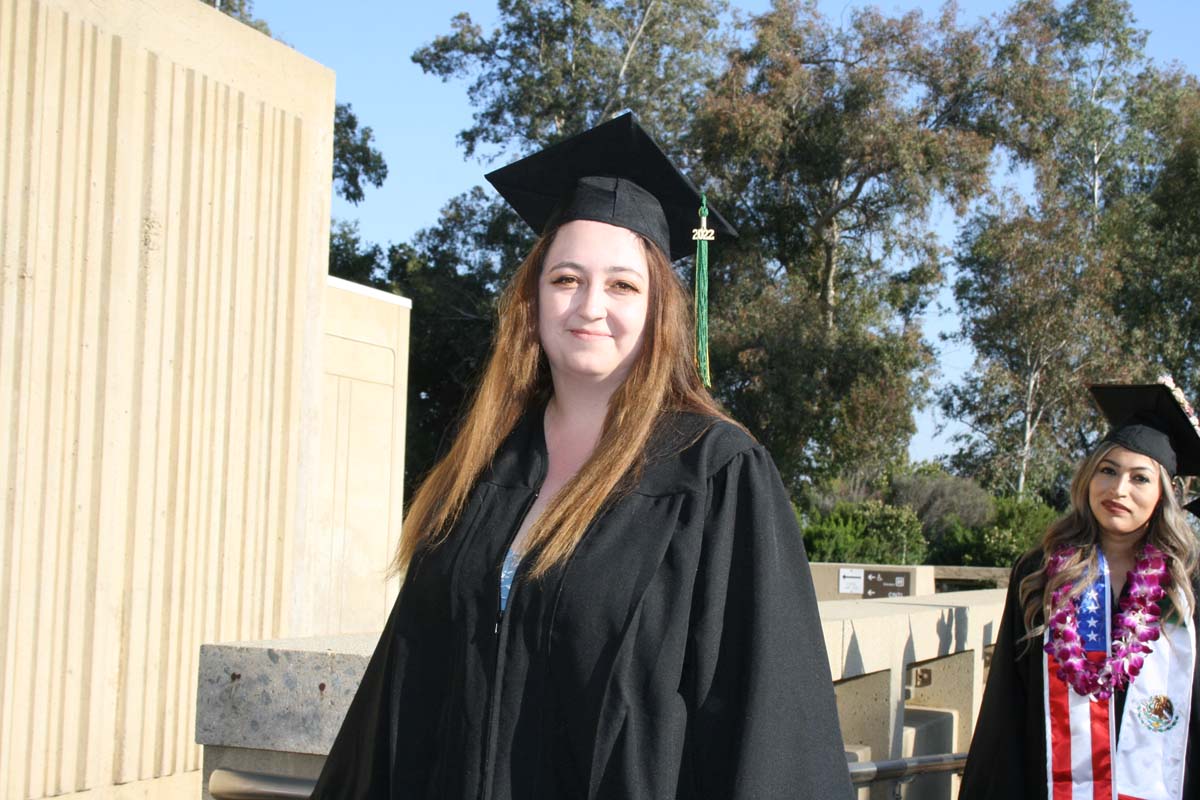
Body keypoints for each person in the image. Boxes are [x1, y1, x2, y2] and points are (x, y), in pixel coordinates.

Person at [310, 113, 853, 799]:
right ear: (532, 300)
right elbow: (398, 698)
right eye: (567, 278)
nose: (591, 306)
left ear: (658, 308)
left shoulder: (714, 476)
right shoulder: (482, 471)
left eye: (623, 285)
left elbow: (770, 726)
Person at [959, 379, 1200, 799]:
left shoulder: (1187, 586)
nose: (1118, 490)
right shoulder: (1041, 573)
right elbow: (1008, 702)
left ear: (1163, 494)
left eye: (1140, 478)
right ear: (1088, 479)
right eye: (1108, 471)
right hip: (1049, 781)